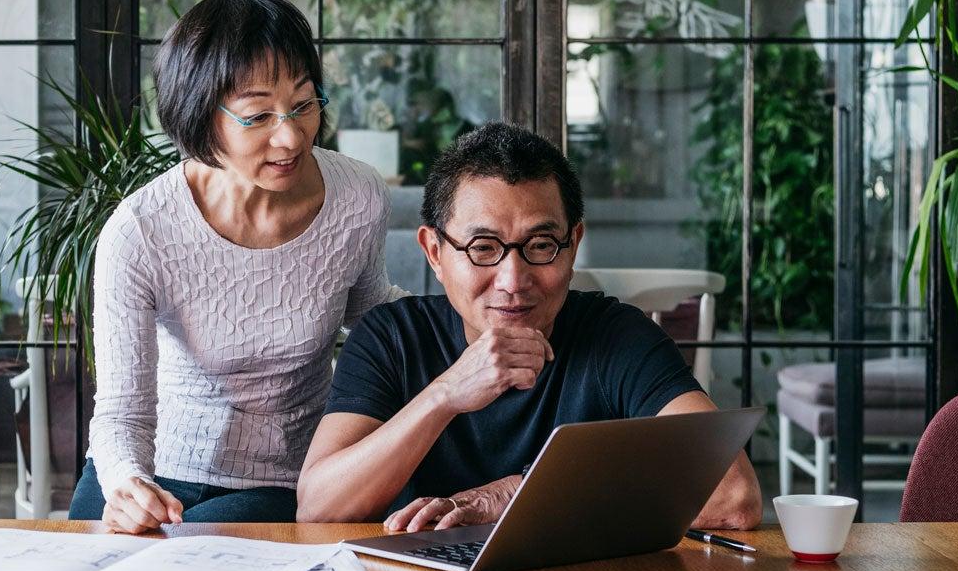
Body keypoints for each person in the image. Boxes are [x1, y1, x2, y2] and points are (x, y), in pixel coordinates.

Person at [296, 122, 762, 531]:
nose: (514, 282)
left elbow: (733, 495)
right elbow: (319, 507)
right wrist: (445, 394)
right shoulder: (392, 337)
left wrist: (513, 494)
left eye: (541, 245)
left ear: (573, 243)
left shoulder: (617, 337)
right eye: (482, 247)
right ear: (435, 252)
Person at [70, 0, 405, 531]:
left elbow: (373, 318)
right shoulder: (140, 231)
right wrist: (126, 482)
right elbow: (121, 411)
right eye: (257, 117)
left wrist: (473, 309)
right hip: (153, 473)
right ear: (201, 115)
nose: (291, 137)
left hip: (278, 482)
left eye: (303, 104)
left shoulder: (357, 195)